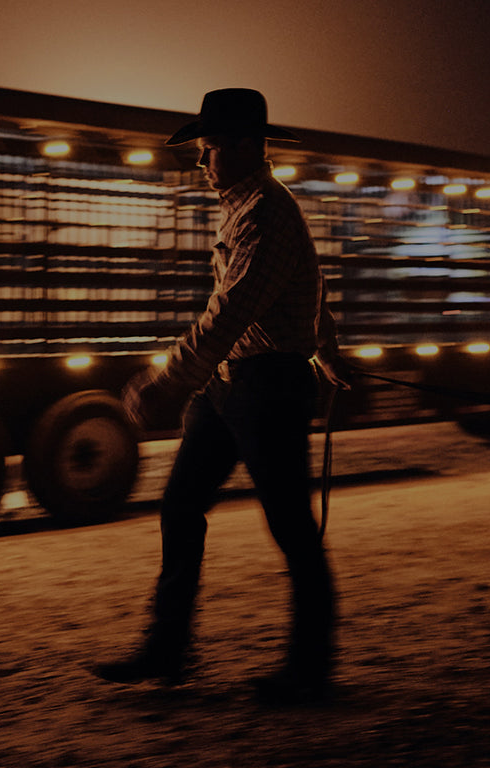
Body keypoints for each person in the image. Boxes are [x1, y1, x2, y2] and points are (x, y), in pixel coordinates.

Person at [92, 88, 352, 706]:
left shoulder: (267, 214)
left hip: (264, 389)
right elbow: (306, 287)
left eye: (208, 150)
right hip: (231, 386)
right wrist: (329, 347)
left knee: (290, 526)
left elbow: (232, 309)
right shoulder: (249, 208)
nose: (201, 163)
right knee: (181, 506)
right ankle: (168, 648)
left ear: (242, 147)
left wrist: (167, 378)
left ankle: (309, 666)